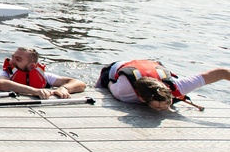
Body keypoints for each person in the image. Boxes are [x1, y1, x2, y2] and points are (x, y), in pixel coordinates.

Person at [96, 60, 230, 111]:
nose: (166, 109)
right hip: (116, 68)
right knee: (100, 89)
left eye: (167, 103)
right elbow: (108, 82)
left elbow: (222, 72)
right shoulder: (124, 93)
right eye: (159, 108)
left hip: (150, 66)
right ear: (142, 99)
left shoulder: (179, 86)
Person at [0, 47, 86, 99]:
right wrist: (35, 91)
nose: (12, 61)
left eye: (18, 59)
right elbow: (0, 83)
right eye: (13, 57)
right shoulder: (7, 73)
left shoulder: (45, 77)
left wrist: (64, 89)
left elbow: (80, 83)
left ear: (31, 66)